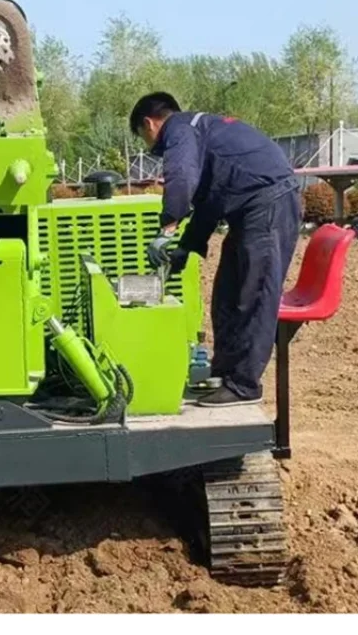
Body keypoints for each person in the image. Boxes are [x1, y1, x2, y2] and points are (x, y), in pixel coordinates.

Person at [129, 91, 301, 408]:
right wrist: (186, 246)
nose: (148, 146)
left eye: (143, 137)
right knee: (227, 293)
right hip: (250, 209)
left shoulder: (179, 130)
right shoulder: (200, 131)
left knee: (253, 294)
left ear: (149, 123)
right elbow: (209, 201)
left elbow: (181, 176)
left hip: (268, 204)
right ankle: (224, 375)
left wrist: (167, 227)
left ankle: (244, 385)